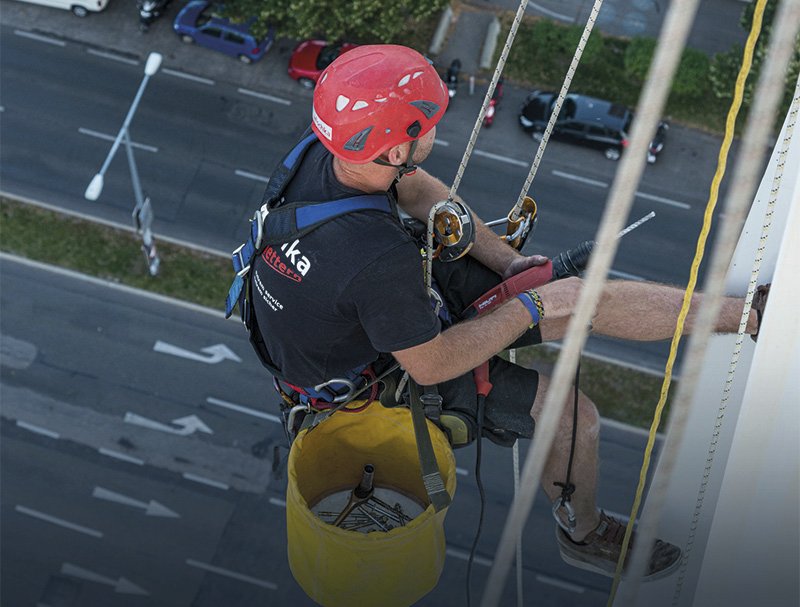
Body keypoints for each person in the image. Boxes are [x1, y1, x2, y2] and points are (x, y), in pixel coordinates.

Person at [238, 45, 769, 579]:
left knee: (579, 297)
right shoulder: (374, 259)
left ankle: (748, 315)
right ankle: (582, 533)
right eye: (426, 124)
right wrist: (534, 304)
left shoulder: (324, 155)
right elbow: (431, 364)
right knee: (572, 416)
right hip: (377, 379)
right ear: (395, 150)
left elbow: (418, 190)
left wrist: (510, 263)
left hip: (352, 323)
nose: (436, 130)